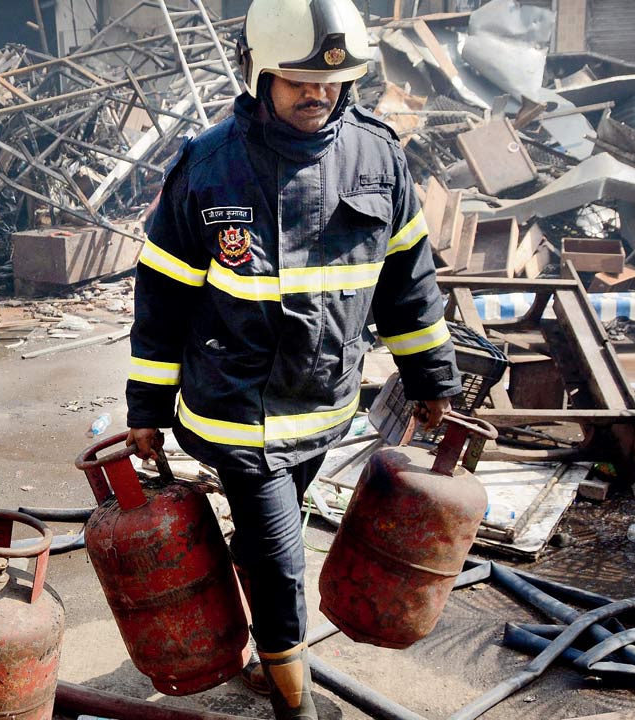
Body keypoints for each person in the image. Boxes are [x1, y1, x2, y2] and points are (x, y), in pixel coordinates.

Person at [125, 1, 461, 718]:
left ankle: (263, 656)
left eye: (333, 81)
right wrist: (146, 409)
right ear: (258, 75)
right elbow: (162, 300)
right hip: (239, 414)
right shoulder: (208, 167)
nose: (319, 94)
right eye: (300, 80)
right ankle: (292, 702)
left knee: (268, 539)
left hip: (325, 404)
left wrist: (432, 375)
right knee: (283, 562)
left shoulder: (377, 157)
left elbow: (409, 281)